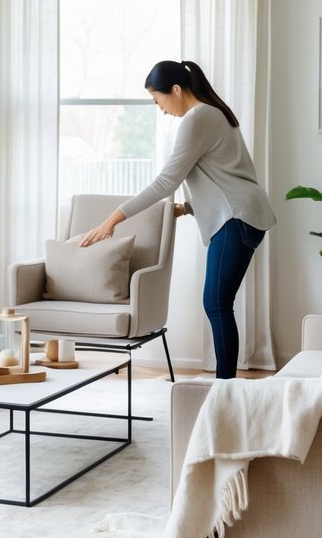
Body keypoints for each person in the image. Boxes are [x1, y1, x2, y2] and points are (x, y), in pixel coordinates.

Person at [79, 59, 276, 379]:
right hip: (244, 216)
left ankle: (224, 387)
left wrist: (111, 220)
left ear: (175, 90)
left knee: (216, 304)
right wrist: (186, 208)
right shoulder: (215, 113)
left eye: (157, 100)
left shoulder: (198, 117)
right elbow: (226, 176)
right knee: (218, 304)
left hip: (236, 219)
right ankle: (225, 385)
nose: (160, 109)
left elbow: (165, 182)